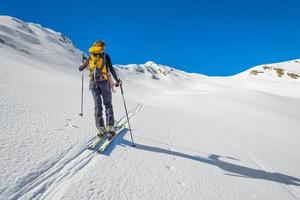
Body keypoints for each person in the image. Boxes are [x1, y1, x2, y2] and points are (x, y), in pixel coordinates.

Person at [79, 40, 122, 138]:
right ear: (102, 47)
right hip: (104, 83)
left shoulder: (90, 56)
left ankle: (100, 129)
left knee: (97, 105)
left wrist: (82, 64)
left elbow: (80, 68)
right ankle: (110, 127)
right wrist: (117, 81)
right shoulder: (105, 56)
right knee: (108, 104)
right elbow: (111, 69)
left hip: (93, 83)